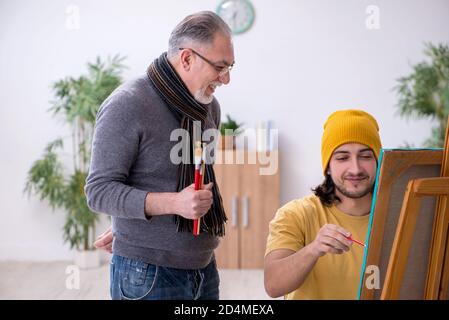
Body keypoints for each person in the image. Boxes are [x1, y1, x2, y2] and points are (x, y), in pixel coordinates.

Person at [85, 11, 235, 300]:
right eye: (220, 66)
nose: (226, 79)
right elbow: (98, 191)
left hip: (204, 267)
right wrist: (172, 204)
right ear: (187, 58)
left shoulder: (209, 107)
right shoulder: (127, 105)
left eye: (230, 67)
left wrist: (128, 222)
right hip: (147, 274)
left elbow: (183, 176)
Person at [264, 109, 382, 300]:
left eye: (366, 156)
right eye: (343, 157)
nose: (356, 168)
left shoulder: (398, 215)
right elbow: (273, 285)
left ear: (378, 161)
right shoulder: (295, 214)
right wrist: (314, 249)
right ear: (328, 165)